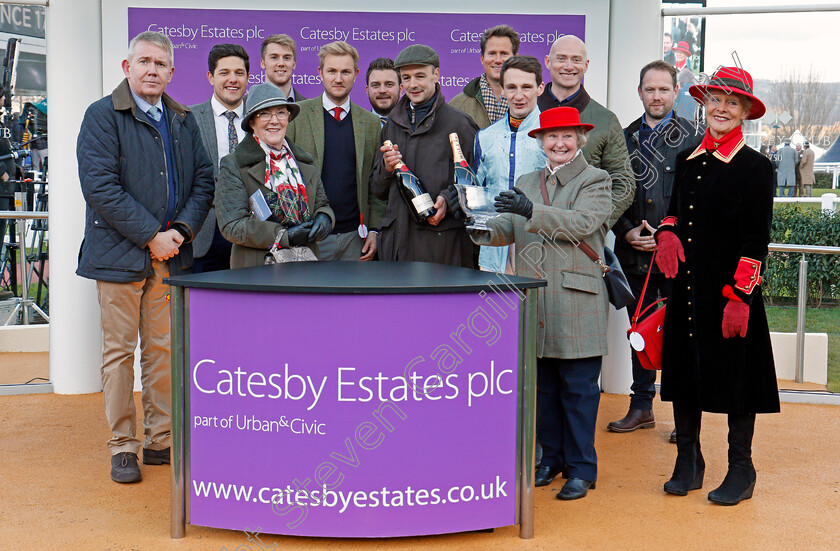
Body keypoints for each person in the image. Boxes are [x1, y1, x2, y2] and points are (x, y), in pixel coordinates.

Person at [76, 31, 214, 483]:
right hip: (119, 256)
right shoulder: (102, 116)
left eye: (161, 64)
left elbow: (203, 182)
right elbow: (100, 188)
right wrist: (151, 235)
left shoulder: (182, 118)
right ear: (127, 67)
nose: (152, 70)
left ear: (172, 72)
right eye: (144, 62)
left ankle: (161, 440)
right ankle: (122, 446)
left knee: (161, 351)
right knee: (119, 353)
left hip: (168, 255)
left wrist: (178, 232)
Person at [470, 106, 611, 500]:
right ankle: (552, 459)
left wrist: (530, 210)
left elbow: (582, 224)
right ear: (540, 141)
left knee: (580, 390)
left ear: (580, 139)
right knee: (544, 388)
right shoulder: (528, 180)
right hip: (535, 297)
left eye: (567, 136)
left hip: (576, 297)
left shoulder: (596, 179)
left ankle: (582, 468)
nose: (559, 143)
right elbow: (508, 226)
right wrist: (476, 224)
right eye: (551, 137)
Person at [654, 66, 779, 506]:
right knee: (685, 372)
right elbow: (672, 212)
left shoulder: (756, 167)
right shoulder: (687, 157)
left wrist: (741, 297)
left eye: (731, 102)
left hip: (730, 295)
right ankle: (688, 462)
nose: (721, 108)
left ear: (744, 111)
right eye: (715, 100)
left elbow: (756, 240)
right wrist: (666, 233)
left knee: (737, 379)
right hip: (687, 288)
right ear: (704, 104)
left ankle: (741, 470)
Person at [609, 61, 702, 439]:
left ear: (676, 90)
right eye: (650, 89)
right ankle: (641, 406)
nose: (657, 96)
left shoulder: (695, 138)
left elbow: (699, 200)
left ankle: (685, 419)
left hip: (678, 258)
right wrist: (628, 231)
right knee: (640, 334)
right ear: (640, 92)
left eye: (664, 89)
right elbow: (610, 195)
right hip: (633, 257)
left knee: (682, 335)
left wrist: (669, 233)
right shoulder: (624, 137)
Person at [372, 44, 478, 267]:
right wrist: (387, 168)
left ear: (436, 74)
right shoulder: (391, 124)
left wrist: (447, 201)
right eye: (407, 78)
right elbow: (377, 190)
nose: (413, 84)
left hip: (439, 246)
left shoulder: (459, 123)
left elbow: (475, 184)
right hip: (396, 247)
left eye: (420, 76)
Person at [215, 83, 334, 268]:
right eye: (264, 113)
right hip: (258, 270)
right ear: (252, 123)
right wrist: (284, 236)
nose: (274, 120)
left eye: (280, 112)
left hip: (306, 266)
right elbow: (232, 226)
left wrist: (325, 217)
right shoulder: (235, 165)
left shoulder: (304, 162)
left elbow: (322, 205)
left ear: (288, 117)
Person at [285, 41, 384, 261]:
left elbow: (374, 183)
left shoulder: (370, 123)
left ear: (356, 74)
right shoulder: (297, 117)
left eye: (345, 72)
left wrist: (375, 229)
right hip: (311, 236)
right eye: (332, 71)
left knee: (355, 296)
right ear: (320, 73)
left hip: (355, 238)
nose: (338, 79)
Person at [538, 35, 634, 228]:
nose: (568, 66)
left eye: (576, 60)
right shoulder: (528, 111)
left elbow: (624, 182)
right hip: (529, 234)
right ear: (548, 62)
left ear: (586, 65)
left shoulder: (605, 120)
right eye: (561, 58)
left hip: (579, 243)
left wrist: (595, 225)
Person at [473, 55, 546, 273]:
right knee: (494, 307)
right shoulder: (485, 136)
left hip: (540, 245)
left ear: (540, 88)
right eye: (511, 87)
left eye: (526, 87)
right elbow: (478, 189)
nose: (519, 95)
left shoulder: (554, 135)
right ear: (502, 90)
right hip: (495, 248)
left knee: (535, 308)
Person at [190, 44, 249, 273]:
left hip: (251, 232)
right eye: (224, 73)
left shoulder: (264, 120)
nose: (232, 79)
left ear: (247, 78)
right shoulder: (188, 119)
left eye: (239, 73)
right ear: (211, 77)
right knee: (201, 307)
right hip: (204, 233)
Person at [450, 25, 519, 129]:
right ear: (482, 58)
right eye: (492, 53)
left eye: (504, 53)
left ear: (515, 58)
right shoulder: (457, 105)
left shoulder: (531, 104)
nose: (498, 60)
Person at [260, 34, 306, 102]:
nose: (281, 63)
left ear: (294, 63)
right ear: (263, 63)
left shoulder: (310, 109)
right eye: (274, 57)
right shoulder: (245, 105)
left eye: (286, 58)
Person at [366, 57, 400, 126]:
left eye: (389, 84)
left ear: (401, 89)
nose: (382, 90)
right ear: (367, 90)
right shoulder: (356, 127)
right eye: (375, 85)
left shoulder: (415, 125)